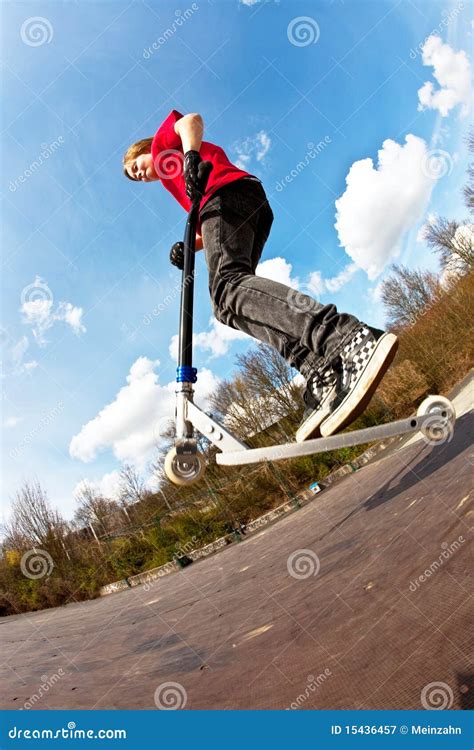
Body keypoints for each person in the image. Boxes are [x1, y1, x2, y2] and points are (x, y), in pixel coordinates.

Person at [123, 110, 398, 441]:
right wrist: (190, 246)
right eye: (134, 178)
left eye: (135, 167)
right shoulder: (177, 182)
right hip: (233, 205)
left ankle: (346, 337)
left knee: (228, 286)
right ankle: (321, 369)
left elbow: (190, 120)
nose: (138, 175)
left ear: (143, 150)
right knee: (226, 307)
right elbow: (213, 230)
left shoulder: (164, 149)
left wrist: (192, 154)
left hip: (228, 196)